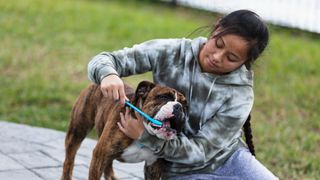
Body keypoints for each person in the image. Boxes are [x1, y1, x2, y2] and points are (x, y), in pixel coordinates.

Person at [88, 9, 278, 180]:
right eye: (218, 44)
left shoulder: (240, 94)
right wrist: (108, 73)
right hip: (176, 167)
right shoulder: (171, 52)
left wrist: (146, 136)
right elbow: (107, 59)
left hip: (227, 159)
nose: (217, 57)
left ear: (245, 61)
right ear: (216, 28)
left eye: (231, 58)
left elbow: (201, 151)